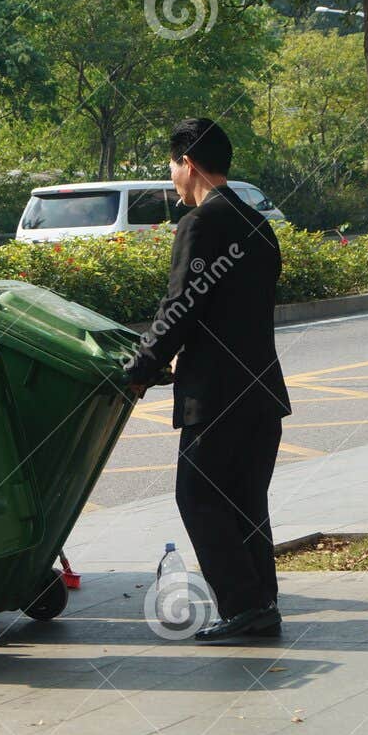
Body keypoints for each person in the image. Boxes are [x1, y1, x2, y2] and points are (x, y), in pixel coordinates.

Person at [123, 118, 292, 643]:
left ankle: (244, 606)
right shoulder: (255, 223)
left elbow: (182, 308)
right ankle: (260, 605)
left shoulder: (201, 223)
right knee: (245, 503)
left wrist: (140, 370)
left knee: (197, 496)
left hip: (219, 398)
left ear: (187, 164)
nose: (172, 177)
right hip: (260, 393)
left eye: (172, 166)